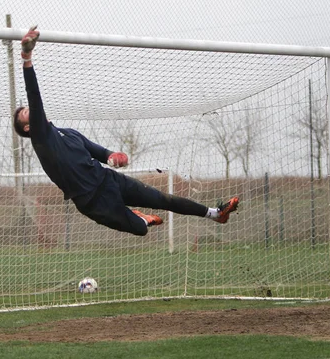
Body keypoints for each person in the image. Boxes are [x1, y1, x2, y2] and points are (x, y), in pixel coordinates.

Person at [12, 26, 239, 236]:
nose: (29, 109)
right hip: (93, 201)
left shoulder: (67, 133)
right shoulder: (41, 139)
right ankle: (138, 218)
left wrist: (112, 156)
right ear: (29, 128)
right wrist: (27, 58)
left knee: (163, 199)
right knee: (141, 229)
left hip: (109, 180)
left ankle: (216, 214)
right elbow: (34, 95)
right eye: (25, 113)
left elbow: (97, 151)